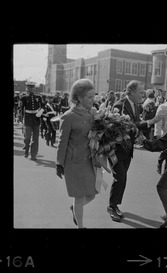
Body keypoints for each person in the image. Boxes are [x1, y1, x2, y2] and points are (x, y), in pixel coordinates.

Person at [56, 78, 98, 229]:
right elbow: (62, 142)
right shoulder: (68, 116)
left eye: (94, 96)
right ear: (79, 98)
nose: (93, 100)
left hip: (88, 161)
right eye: (89, 97)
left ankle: (74, 209)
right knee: (79, 197)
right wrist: (59, 163)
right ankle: (80, 226)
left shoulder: (91, 115)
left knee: (92, 194)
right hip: (73, 162)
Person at [107, 80, 147, 222]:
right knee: (120, 177)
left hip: (127, 149)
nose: (143, 95)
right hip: (115, 149)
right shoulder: (120, 104)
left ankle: (115, 205)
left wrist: (140, 134)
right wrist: (148, 122)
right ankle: (111, 207)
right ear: (132, 92)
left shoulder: (136, 105)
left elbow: (135, 125)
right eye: (141, 92)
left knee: (122, 178)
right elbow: (124, 126)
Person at [146, 90, 167, 174]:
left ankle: (166, 170)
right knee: (165, 151)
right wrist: (157, 133)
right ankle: (160, 162)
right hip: (165, 132)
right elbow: (158, 121)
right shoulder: (162, 107)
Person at [18, 81, 42, 160]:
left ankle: (33, 155)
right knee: (27, 137)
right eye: (30, 87)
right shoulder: (24, 98)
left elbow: (43, 106)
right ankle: (26, 148)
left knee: (35, 139)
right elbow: (20, 108)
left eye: (33, 87)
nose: (31, 88)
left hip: (36, 119)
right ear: (27, 88)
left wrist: (41, 112)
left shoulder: (38, 97)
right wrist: (20, 117)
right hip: (28, 120)